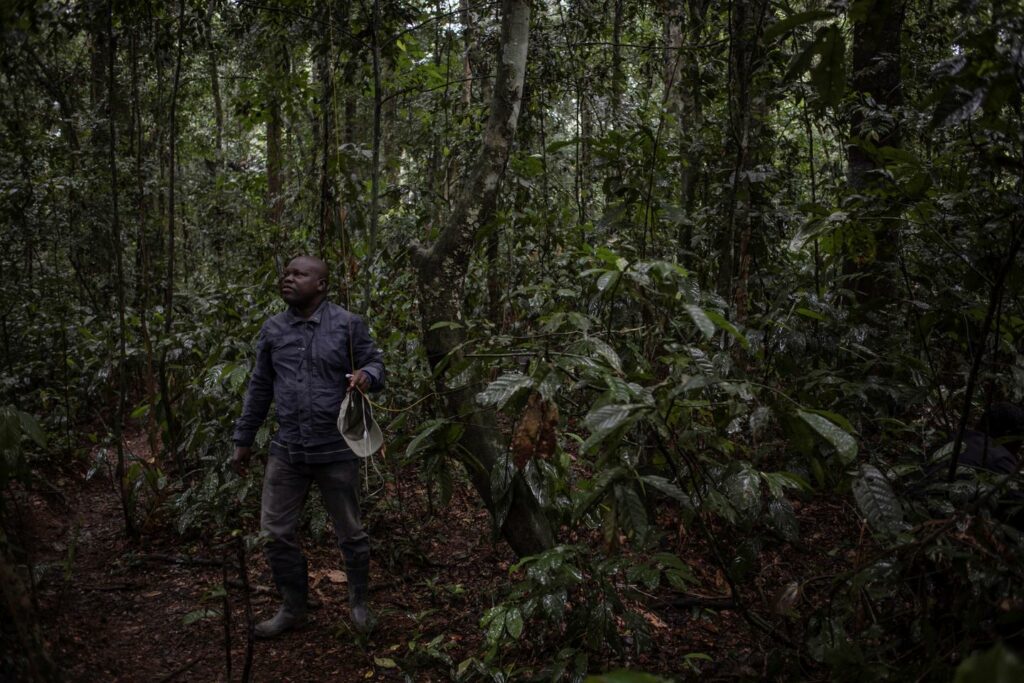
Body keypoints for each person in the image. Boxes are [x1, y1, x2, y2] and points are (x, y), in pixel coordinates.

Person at [230, 255, 385, 638]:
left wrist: (367, 374)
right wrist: (243, 440)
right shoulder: (273, 330)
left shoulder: (348, 324)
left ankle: (358, 603)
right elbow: (260, 388)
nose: (288, 279)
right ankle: (293, 607)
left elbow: (377, 365)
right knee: (275, 532)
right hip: (288, 451)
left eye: (300, 274)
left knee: (351, 532)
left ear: (321, 285)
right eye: (286, 273)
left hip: (335, 449)